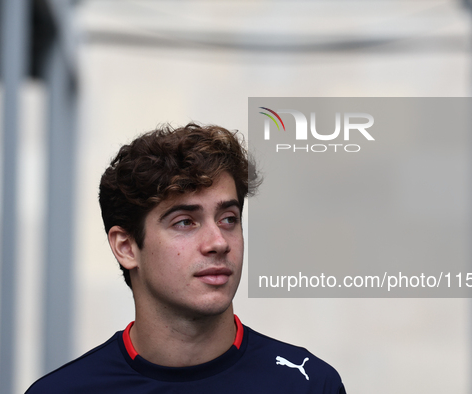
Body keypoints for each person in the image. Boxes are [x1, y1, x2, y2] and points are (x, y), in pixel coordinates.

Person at [26, 123, 346, 393]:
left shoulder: (308, 384)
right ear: (126, 247)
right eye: (185, 222)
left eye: (228, 218)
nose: (219, 242)